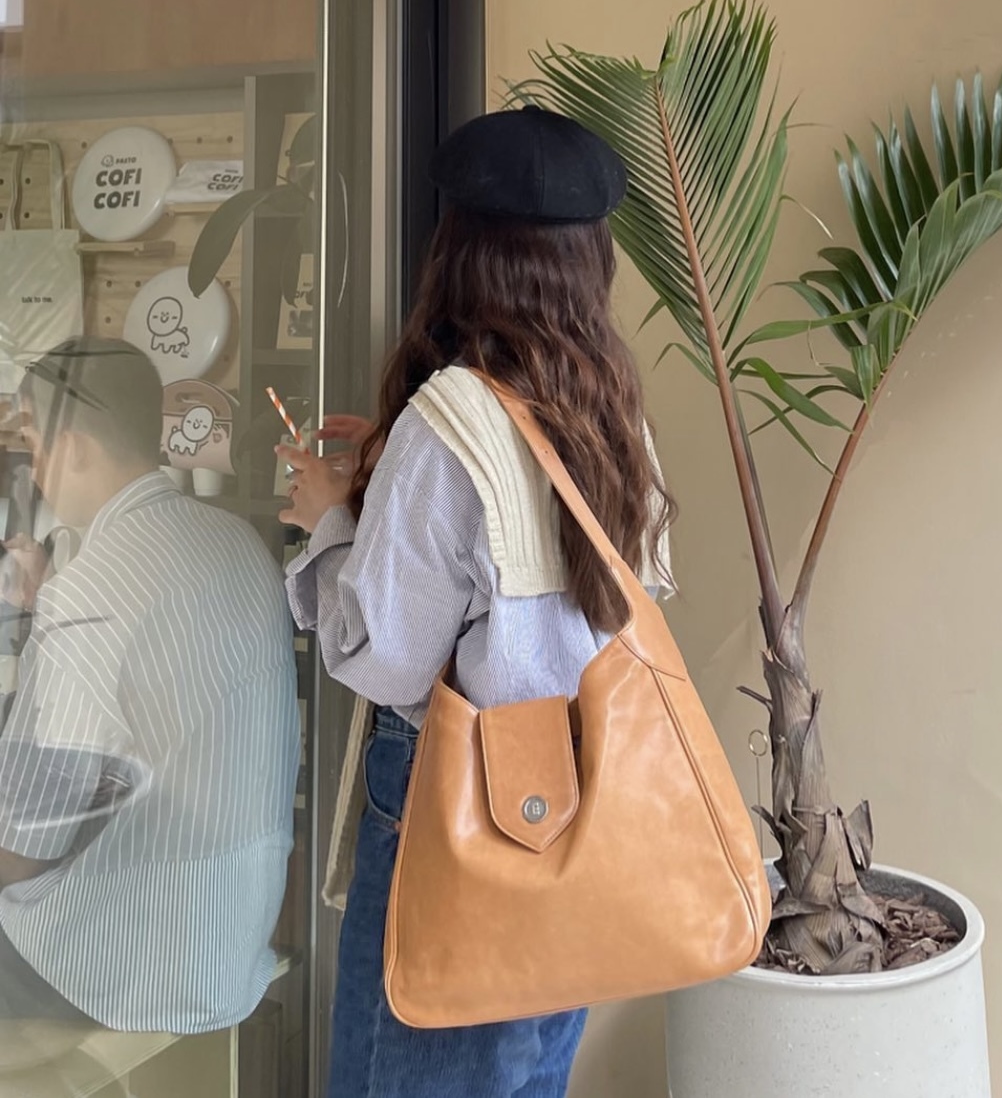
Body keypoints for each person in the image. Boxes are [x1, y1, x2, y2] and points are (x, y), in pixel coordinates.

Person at [279, 107, 675, 1098]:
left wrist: (333, 522)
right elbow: (617, 584)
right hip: (581, 790)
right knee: (522, 1073)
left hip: (456, 801)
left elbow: (385, 655)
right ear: (589, 257)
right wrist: (395, 484)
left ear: (456, 250)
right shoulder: (606, 402)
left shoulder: (446, 421)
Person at [0, 337, 299, 1038]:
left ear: (74, 448)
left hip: (124, 963)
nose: (33, 471)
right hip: (232, 935)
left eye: (34, 447)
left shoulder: (88, 593)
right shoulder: (238, 543)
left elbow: (21, 846)